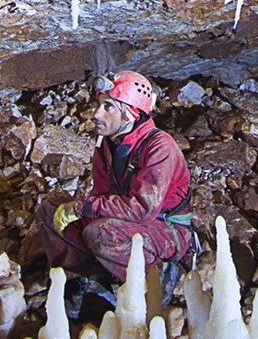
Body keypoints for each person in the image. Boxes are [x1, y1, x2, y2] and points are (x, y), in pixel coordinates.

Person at [37, 70, 193, 313]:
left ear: (130, 113)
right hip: (126, 221)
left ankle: (155, 278)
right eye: (99, 105)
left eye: (108, 107)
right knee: (49, 211)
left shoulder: (160, 146)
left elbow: (143, 208)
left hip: (166, 229)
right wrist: (78, 211)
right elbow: (101, 193)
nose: (96, 114)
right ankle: (85, 279)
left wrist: (81, 208)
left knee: (100, 232)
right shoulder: (107, 144)